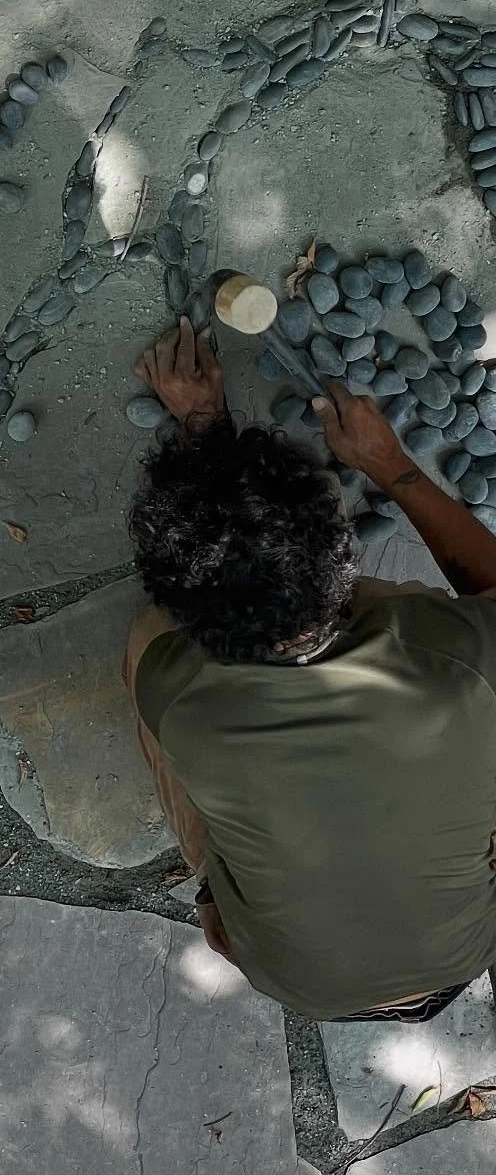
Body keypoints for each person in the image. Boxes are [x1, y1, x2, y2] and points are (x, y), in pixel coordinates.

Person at [123, 316, 496, 1023]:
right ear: (343, 562)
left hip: (300, 982)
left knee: (139, 638)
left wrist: (203, 424)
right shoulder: (455, 658)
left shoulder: (175, 685)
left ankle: (209, 880)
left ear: (191, 618)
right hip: (465, 950)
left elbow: (181, 623)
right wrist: (392, 465)